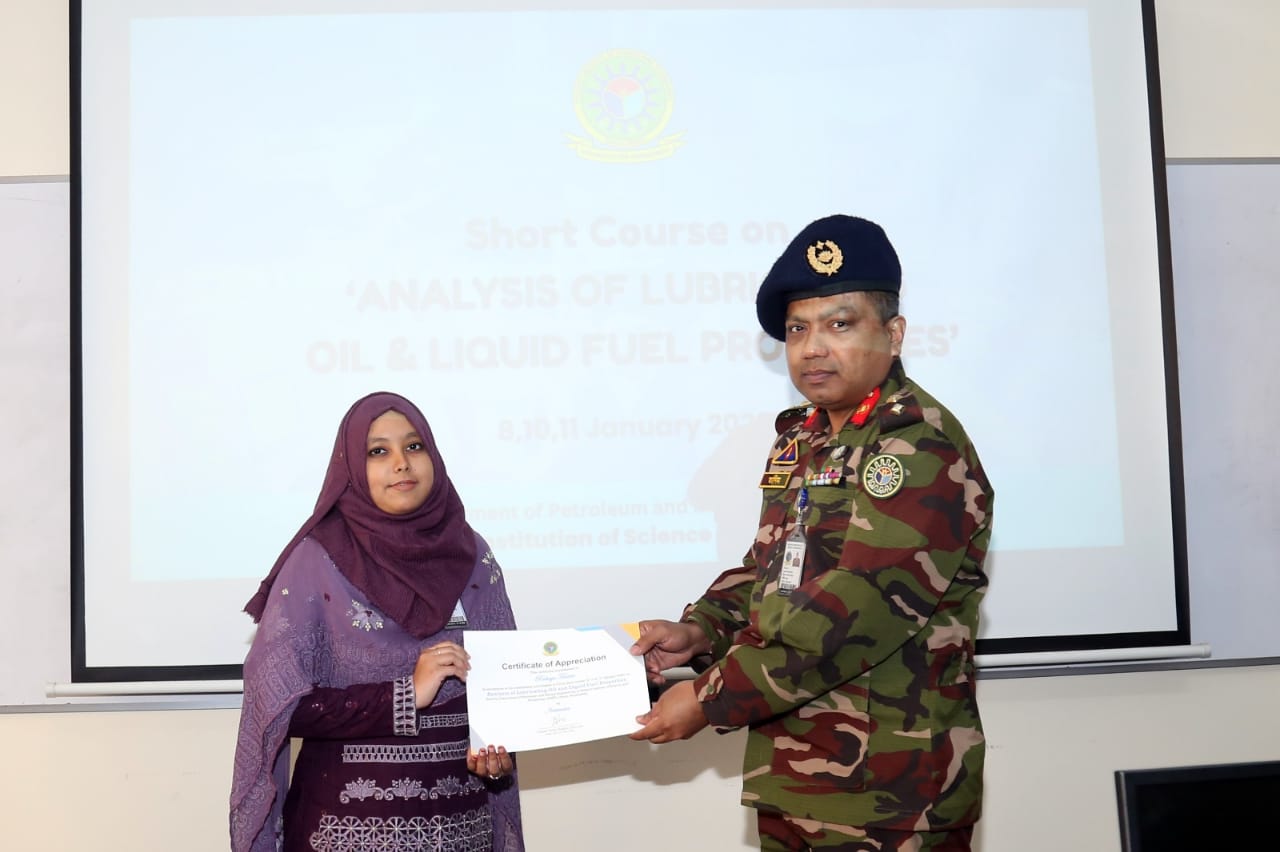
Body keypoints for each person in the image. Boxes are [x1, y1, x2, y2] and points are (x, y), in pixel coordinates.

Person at [629, 215, 994, 852]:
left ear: (894, 333)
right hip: (794, 777)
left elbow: (849, 613)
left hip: (891, 792)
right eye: (798, 329)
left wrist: (708, 699)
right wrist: (699, 630)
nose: (812, 348)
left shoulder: (916, 445)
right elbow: (771, 567)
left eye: (839, 324)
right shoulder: (803, 438)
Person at [230, 391, 524, 852]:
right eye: (378, 452)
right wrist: (404, 695)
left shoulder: (472, 555)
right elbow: (278, 708)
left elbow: (505, 690)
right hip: (344, 830)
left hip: (461, 828)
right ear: (350, 467)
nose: (401, 463)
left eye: (414, 446)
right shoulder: (317, 561)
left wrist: (497, 758)